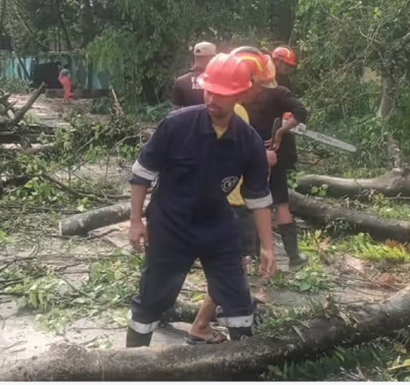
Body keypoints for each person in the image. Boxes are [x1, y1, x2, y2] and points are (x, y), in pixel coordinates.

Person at [126, 53, 276, 348]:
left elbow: (258, 197)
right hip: (170, 226)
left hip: (218, 227)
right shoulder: (176, 125)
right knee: (153, 298)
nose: (213, 99)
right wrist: (135, 220)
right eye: (210, 90)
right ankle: (131, 366)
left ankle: (241, 366)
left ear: (240, 95)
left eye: (223, 94)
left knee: (237, 300)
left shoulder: (249, 141)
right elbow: (141, 174)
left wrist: (268, 247)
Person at [185, 48, 279, 345]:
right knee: (232, 268)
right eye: (259, 84)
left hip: (225, 201)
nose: (260, 91)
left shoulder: (224, 109)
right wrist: (264, 159)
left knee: (233, 267)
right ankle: (202, 324)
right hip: (235, 204)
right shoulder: (233, 110)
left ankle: (235, 311)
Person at [244, 48, 309, 267]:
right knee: (281, 202)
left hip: (251, 153)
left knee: (251, 201)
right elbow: (302, 111)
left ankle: (251, 254)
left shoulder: (244, 94)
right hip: (273, 154)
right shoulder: (280, 92)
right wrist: (281, 131)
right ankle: (293, 258)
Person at [170, 41, 216, 109]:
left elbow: (175, 112)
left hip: (187, 119)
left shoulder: (181, 81)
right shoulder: (217, 82)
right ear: (211, 58)